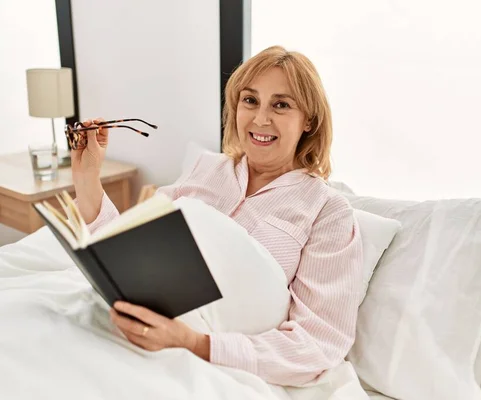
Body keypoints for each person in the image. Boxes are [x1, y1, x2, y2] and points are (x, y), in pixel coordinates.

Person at [71, 45, 363, 386]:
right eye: (250, 100)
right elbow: (127, 249)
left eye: (281, 105)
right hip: (135, 326)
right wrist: (87, 178)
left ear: (309, 120)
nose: (260, 119)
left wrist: (194, 343)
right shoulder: (206, 169)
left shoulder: (328, 211)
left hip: (216, 365)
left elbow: (317, 344)